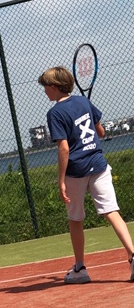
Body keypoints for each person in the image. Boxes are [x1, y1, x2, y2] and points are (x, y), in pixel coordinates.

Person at [38, 66, 134, 284]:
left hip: (76, 171)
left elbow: (64, 149)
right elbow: (101, 132)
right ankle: (133, 256)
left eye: (45, 87)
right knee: (111, 211)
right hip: (98, 165)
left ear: (54, 87)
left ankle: (80, 268)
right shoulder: (84, 102)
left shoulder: (54, 113)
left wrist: (61, 180)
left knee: (75, 219)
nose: (44, 92)